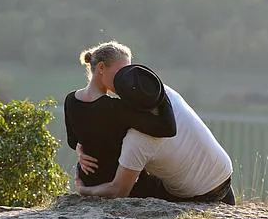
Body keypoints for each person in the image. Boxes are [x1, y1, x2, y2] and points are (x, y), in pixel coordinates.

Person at [75, 63, 236, 205]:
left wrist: (85, 190)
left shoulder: (138, 139)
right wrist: (79, 146)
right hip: (224, 178)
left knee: (134, 183)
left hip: (200, 195)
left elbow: (118, 191)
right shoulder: (159, 91)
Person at [64, 41, 177, 195]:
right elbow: (167, 128)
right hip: (126, 188)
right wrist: (159, 91)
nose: (127, 78)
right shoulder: (116, 108)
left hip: (89, 179)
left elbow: (73, 141)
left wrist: (80, 151)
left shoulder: (71, 99)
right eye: (122, 72)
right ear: (101, 68)